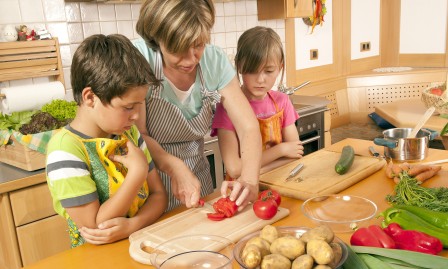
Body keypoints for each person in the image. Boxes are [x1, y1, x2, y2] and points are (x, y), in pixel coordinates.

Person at [134, 0, 262, 212]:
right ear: (158, 39)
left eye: (198, 45)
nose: (190, 59)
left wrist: (250, 181)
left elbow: (248, 126)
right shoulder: (140, 60)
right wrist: (175, 168)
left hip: (198, 180)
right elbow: (139, 134)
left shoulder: (214, 61)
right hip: (150, 188)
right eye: (178, 50)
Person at [45, 34, 168, 248]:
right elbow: (96, 226)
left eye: (140, 105)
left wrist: (134, 225)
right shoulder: (65, 151)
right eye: (129, 107)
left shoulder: (129, 134)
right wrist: (137, 174)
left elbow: (159, 196)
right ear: (90, 97)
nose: (137, 116)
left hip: (142, 244)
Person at [212, 26, 304, 176]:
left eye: (268, 71)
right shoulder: (227, 108)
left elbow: (295, 153)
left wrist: (256, 170)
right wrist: (280, 150)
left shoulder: (282, 101)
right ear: (240, 66)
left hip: (281, 183)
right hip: (241, 192)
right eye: (253, 70)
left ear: (280, 68)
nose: (261, 80)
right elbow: (234, 169)